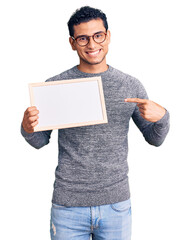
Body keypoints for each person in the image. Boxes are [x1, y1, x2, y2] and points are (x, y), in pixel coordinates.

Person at [21, 6, 170, 240]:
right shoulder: (55, 86)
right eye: (83, 38)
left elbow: (155, 139)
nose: (92, 45)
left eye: (98, 35)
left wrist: (163, 117)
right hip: (68, 206)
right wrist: (27, 128)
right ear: (72, 42)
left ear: (108, 36)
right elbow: (39, 141)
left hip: (116, 205)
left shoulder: (129, 85)